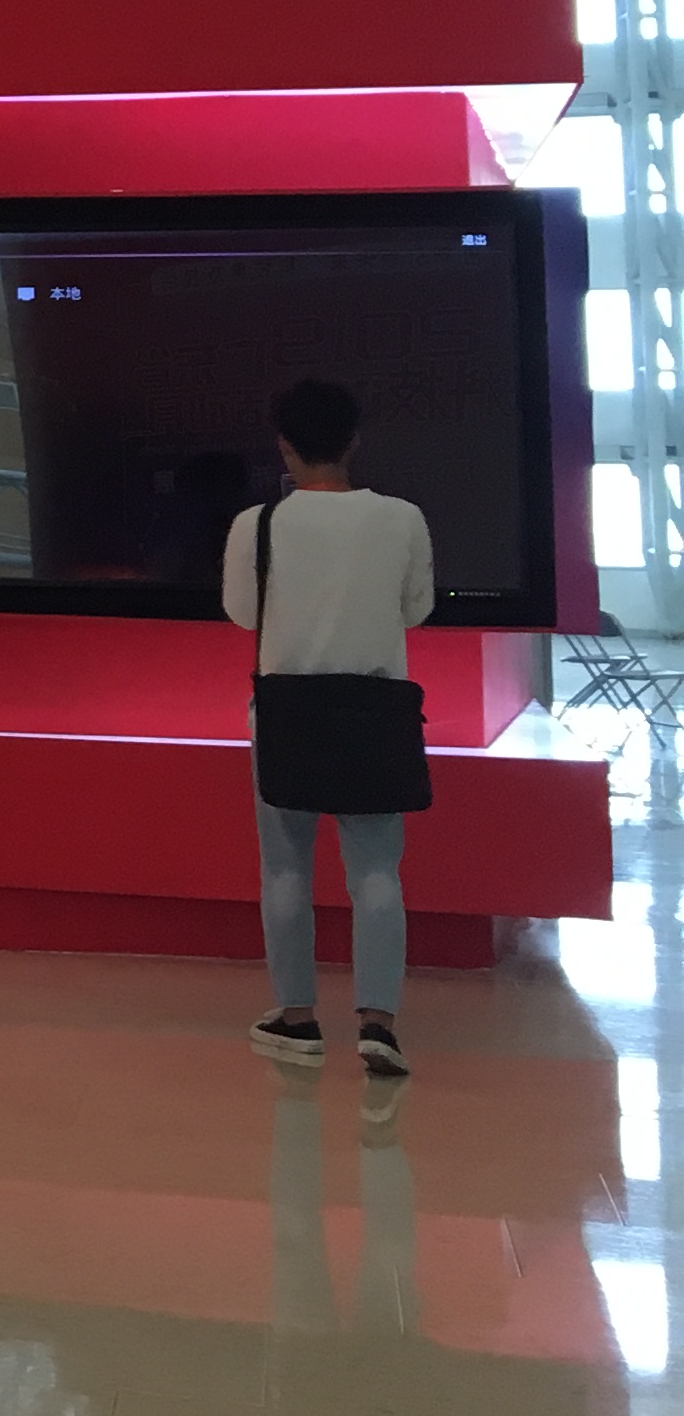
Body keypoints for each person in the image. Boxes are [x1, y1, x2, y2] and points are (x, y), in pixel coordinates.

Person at [222, 375, 434, 1082]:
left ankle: (298, 1017)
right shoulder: (402, 517)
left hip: (285, 714)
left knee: (285, 868)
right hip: (375, 711)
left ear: (284, 447)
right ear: (354, 442)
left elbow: (243, 615)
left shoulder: (257, 525)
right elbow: (417, 610)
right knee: (376, 870)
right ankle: (378, 1025)